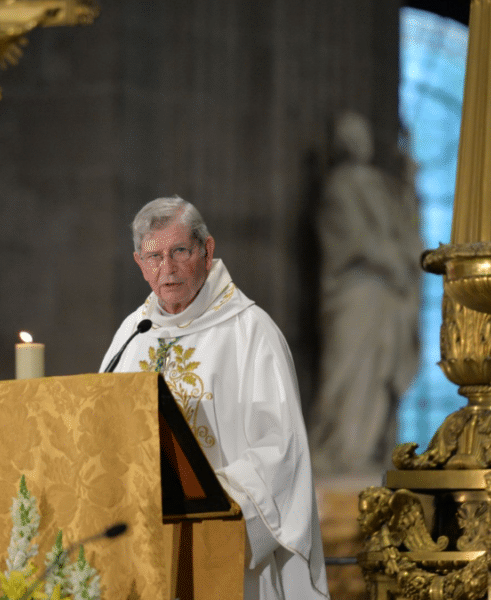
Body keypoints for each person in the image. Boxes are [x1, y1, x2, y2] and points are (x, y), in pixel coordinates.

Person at [100, 196, 330, 600]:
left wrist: (211, 494)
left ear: (207, 251)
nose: (166, 269)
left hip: (221, 546)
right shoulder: (132, 334)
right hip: (143, 545)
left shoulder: (251, 333)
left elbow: (283, 452)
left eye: (179, 252)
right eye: (154, 256)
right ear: (139, 262)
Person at [308, 111, 423, 476]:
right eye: (349, 135)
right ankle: (341, 449)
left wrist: (409, 182)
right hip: (356, 291)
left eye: (361, 134)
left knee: (377, 375)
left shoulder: (378, 185)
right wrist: (390, 259)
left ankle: (366, 451)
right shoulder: (340, 186)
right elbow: (352, 240)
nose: (358, 141)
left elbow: (403, 229)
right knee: (346, 372)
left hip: (384, 295)